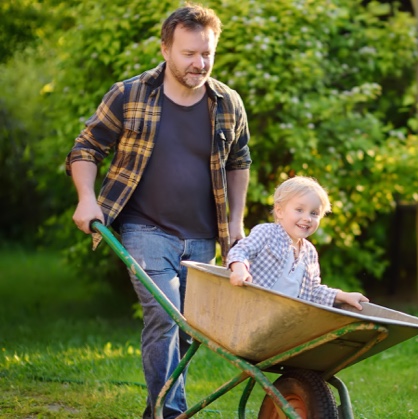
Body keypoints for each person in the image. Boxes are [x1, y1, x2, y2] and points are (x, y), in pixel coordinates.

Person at [65, 4, 250, 418]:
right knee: (164, 316)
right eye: (189, 53)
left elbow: (240, 162)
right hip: (143, 229)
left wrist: (236, 223)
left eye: (207, 54)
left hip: (203, 236)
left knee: (185, 332)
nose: (199, 63)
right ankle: (171, 413)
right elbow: (86, 148)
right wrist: (87, 197)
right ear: (165, 49)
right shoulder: (129, 94)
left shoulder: (227, 103)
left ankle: (157, 410)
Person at [226, 176, 369, 310]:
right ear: (280, 211)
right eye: (299, 210)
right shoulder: (266, 233)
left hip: (282, 320)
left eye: (314, 213)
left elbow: (313, 291)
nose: (307, 218)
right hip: (250, 308)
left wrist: (344, 296)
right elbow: (241, 251)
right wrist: (240, 269)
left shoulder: (310, 252)